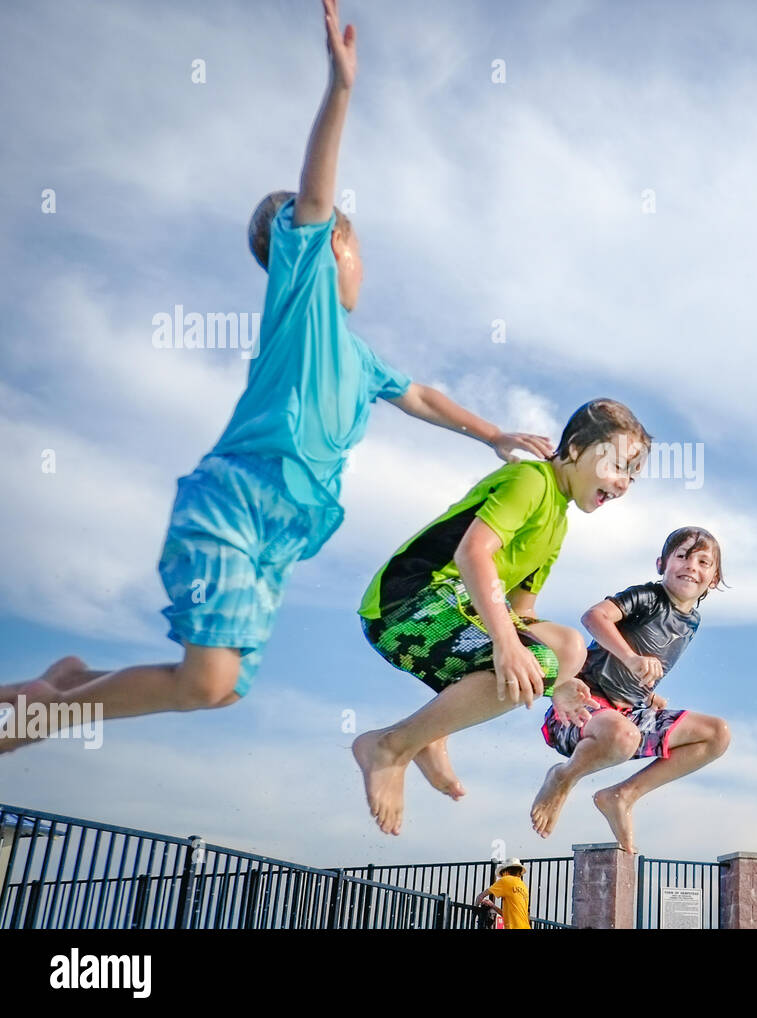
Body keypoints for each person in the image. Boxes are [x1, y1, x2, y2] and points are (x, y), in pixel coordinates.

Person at [0, 0, 551, 752]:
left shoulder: (356, 360)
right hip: (234, 506)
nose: (358, 262)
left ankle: (63, 684)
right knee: (205, 681)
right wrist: (342, 90)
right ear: (331, 248)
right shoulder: (303, 302)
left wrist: (492, 434)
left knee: (217, 690)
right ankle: (43, 713)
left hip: (277, 538)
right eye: (343, 244)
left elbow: (417, 393)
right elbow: (316, 198)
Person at [352, 400, 652, 835]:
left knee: (564, 648)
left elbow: (522, 613)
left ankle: (432, 733)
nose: (624, 483)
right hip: (407, 604)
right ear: (574, 449)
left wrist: (560, 686)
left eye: (633, 475)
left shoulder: (558, 524)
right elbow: (473, 553)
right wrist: (508, 646)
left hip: (452, 611)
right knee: (531, 662)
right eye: (619, 466)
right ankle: (390, 746)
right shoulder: (532, 481)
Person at [529, 527, 731, 854]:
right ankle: (563, 777)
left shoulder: (692, 621)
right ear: (661, 564)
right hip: (579, 707)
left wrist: (647, 696)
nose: (691, 566)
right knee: (623, 735)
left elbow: (641, 667)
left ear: (714, 577)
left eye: (703, 561)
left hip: (629, 716)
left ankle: (623, 796)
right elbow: (594, 616)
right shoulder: (647, 597)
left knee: (717, 734)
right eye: (682, 556)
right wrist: (632, 658)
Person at [477, 859, 531, 930]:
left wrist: (475, 911)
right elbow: (509, 915)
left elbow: (481, 896)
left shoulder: (505, 880)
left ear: (506, 871)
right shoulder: (523, 886)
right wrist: (493, 906)